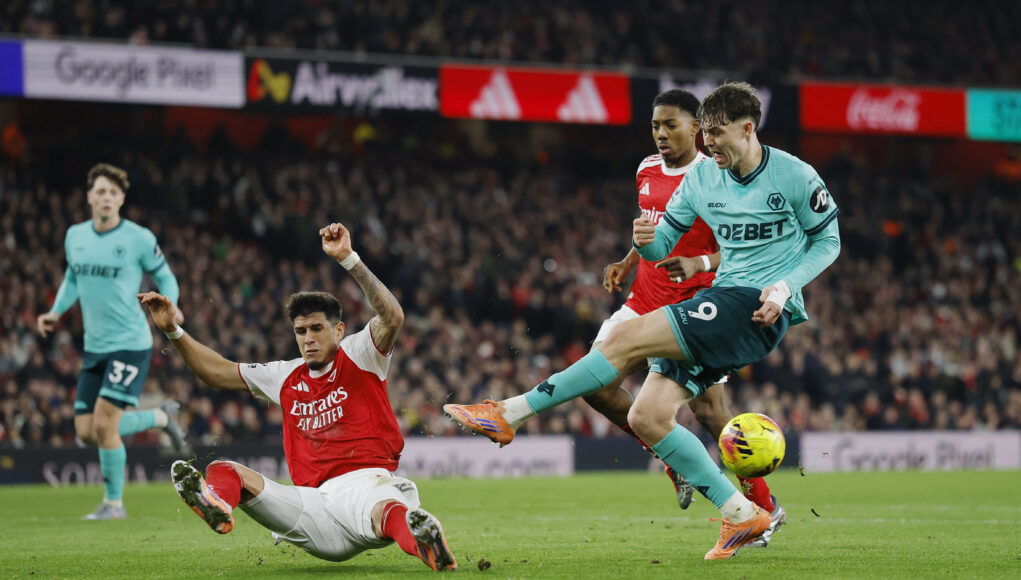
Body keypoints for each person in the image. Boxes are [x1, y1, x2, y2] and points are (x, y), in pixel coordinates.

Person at [445, 82, 840, 560]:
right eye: (706, 134)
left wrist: (785, 286)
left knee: (625, 340)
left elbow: (828, 242)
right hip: (722, 299)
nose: (708, 143)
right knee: (647, 417)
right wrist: (644, 243)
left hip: (753, 306)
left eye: (716, 133)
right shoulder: (700, 181)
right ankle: (743, 515)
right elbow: (661, 245)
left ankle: (507, 413)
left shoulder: (795, 176)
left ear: (747, 128)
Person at [138, 222, 457, 572]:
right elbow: (216, 372)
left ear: (337, 330)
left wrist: (349, 259)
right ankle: (217, 506)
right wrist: (172, 329)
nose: (308, 338)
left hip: (366, 484)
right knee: (222, 469)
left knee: (386, 512)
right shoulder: (284, 374)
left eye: (317, 328)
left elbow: (392, 315)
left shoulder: (360, 352)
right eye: (301, 331)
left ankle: (426, 542)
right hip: (313, 505)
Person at [585, 89, 782, 546]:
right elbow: (652, 222)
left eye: (670, 124)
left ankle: (766, 507)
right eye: (655, 125)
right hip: (641, 301)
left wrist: (700, 265)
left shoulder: (716, 176)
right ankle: (672, 458)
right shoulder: (646, 169)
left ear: (698, 128)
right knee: (595, 384)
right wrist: (628, 260)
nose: (660, 134)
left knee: (713, 415)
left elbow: (737, 247)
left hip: (693, 308)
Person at [36, 163, 186, 520]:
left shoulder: (138, 238)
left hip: (130, 343)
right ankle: (160, 417)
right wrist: (56, 311)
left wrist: (172, 303)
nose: (106, 197)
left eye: (112, 192)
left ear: (121, 198)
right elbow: (72, 278)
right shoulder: (75, 236)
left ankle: (113, 504)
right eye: (99, 191)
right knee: (86, 432)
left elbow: (164, 275)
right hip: (95, 347)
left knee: (105, 424)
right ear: (89, 197)